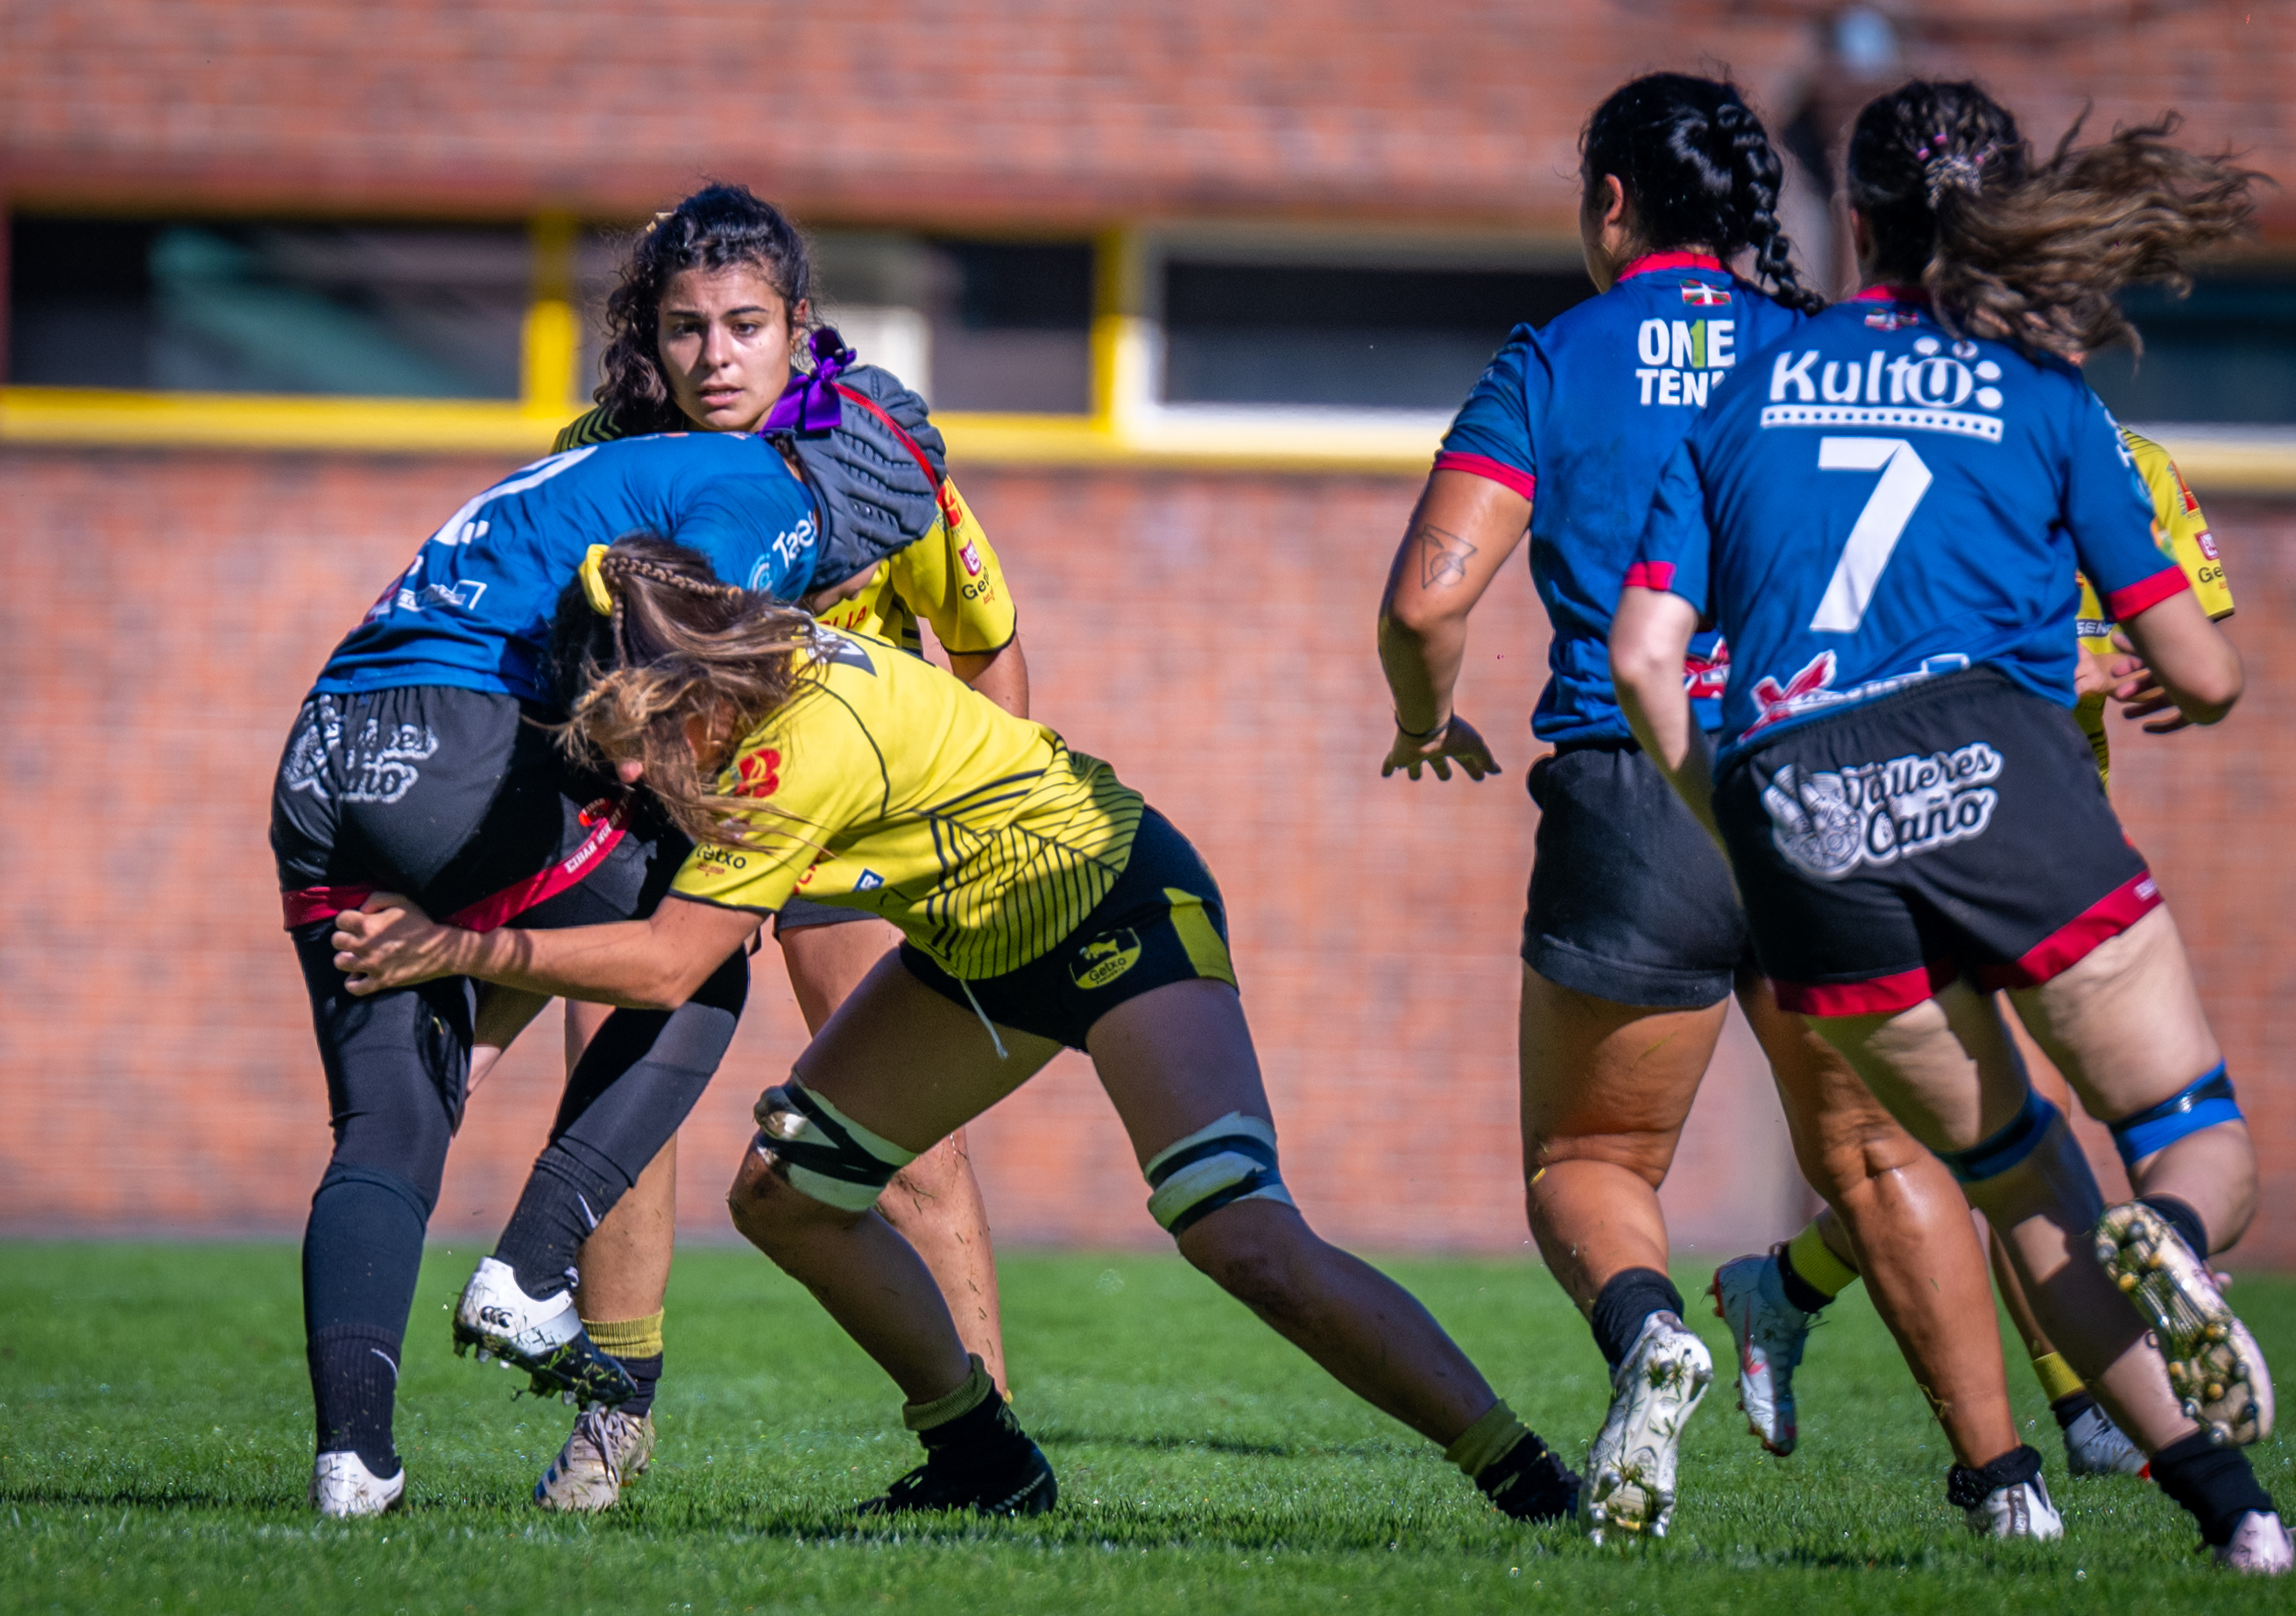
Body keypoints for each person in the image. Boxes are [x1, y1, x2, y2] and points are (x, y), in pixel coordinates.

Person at [330, 535, 1585, 1526]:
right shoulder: (748, 664)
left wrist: (454, 950)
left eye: (640, 742)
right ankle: (983, 1456)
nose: (641, 775)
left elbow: (666, 966)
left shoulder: (795, 744)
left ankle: (1527, 1478)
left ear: (688, 690)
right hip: (982, 953)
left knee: (1236, 1232)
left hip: (1117, 905)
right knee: (784, 1193)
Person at [1609, 79, 2285, 1572]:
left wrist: (1736, 823)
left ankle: (2230, 1514)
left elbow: (1645, 658)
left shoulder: (1743, 390)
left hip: (1796, 813)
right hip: (1997, 775)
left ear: (1848, 223)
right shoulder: (2043, 398)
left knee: (2015, 1176)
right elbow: (2201, 670)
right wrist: (2182, 675)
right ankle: (2171, 1257)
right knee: (2188, 1136)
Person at [1379, 73, 2033, 1540]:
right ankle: (2008, 1495)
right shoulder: (1821, 351)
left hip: (1634, 795)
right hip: (1829, 786)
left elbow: (1426, 601)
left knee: (1589, 1162)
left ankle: (1648, 1340)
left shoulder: (1554, 356)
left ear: (1609, 203)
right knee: (1876, 1158)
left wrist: (1425, 722)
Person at [524, 183, 1027, 1512]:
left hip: (848, 821)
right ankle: (611, 1425)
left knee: (899, 1130)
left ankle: (989, 1437)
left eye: (746, 324)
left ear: (799, 326)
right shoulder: (599, 453)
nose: (716, 356)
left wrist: (977, 822)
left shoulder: (874, 455)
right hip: (673, 816)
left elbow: (986, 647)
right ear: (655, 335)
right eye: (687, 328)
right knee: (611, 1084)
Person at [275, 428, 842, 1518]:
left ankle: (354, 1468)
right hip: (461, 737)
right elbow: (677, 643)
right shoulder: (770, 488)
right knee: (694, 962)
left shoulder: (594, 462)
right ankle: (533, 1270)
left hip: (323, 751)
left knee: (388, 1126)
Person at [1713, 427, 2243, 1482]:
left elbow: (2195, 644)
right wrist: (2060, 668)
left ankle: (1786, 1286)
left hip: (2050, 835)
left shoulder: (2130, 462)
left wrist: (2164, 681)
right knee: (2003, 1138)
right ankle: (2089, 1407)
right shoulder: (1926, 433)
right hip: (1911, 822)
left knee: (1986, 1149)